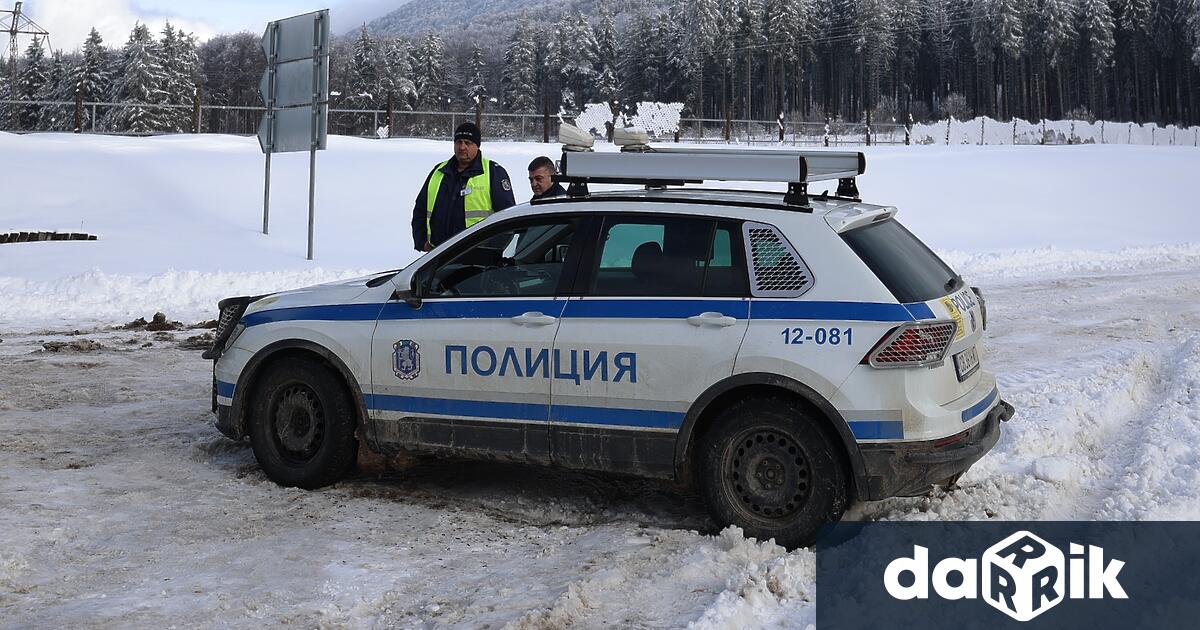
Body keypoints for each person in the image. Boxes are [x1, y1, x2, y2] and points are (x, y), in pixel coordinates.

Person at [412, 122, 515, 251]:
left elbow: (507, 218)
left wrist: (492, 251)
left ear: (477, 145)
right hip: (438, 253)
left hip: (476, 258)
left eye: (468, 143)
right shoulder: (439, 171)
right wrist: (422, 242)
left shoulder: (493, 172)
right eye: (458, 142)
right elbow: (420, 210)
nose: (462, 147)